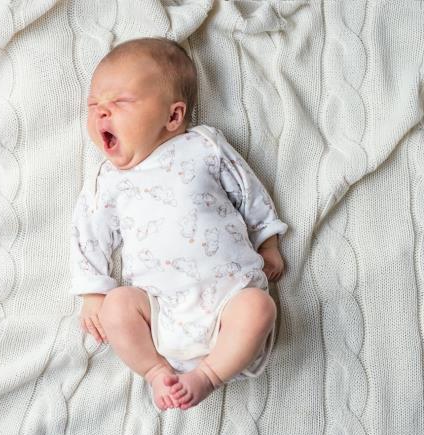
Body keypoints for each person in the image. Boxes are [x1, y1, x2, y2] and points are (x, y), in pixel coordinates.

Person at [68, 37, 288, 411]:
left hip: (229, 302)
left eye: (120, 102)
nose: (102, 113)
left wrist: (268, 241)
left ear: (173, 116)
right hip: (160, 313)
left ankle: (208, 376)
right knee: (117, 306)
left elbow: (247, 189)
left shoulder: (202, 146)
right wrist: (93, 292)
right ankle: (157, 372)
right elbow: (88, 233)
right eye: (94, 105)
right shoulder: (108, 181)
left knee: (260, 307)